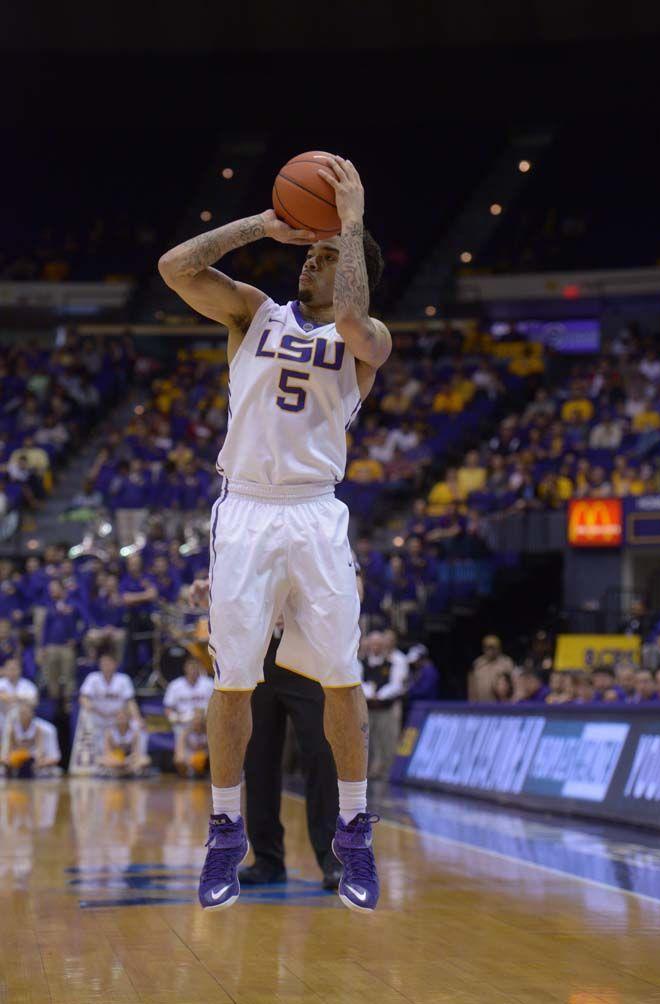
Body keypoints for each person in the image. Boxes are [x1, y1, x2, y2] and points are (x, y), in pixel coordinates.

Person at [159, 154, 389, 913]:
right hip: (247, 508)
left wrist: (348, 224)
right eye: (311, 255)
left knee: (342, 680)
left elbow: (352, 319)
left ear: (350, 267)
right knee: (233, 681)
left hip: (316, 509)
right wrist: (266, 225)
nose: (309, 267)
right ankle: (227, 832)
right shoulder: (252, 311)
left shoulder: (368, 340)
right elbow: (175, 267)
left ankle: (353, 831)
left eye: (323, 259)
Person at [239, 625, 343, 891]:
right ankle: (267, 859)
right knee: (258, 759)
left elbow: (355, 588)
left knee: (321, 754)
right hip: (260, 651)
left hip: (306, 648)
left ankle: (334, 858)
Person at [360, 631, 408, 779]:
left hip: (385, 707)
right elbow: (358, 681)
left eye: (379, 645)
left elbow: (397, 685)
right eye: (373, 644)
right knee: (367, 742)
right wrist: (369, 694)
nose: (376, 647)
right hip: (367, 708)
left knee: (388, 740)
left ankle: (388, 772)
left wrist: (380, 695)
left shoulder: (391, 662)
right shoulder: (362, 662)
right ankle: (368, 772)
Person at [1, 703, 61, 778]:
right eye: (21, 713)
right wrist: (10, 760)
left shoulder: (38, 729)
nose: (23, 716)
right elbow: (9, 750)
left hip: (32, 760)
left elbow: (40, 750)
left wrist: (38, 761)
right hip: (17, 761)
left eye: (26, 713)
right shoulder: (13, 730)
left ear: (32, 714)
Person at [163, 657, 214, 727]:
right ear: (185, 669)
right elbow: (168, 708)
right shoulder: (175, 685)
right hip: (184, 721)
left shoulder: (209, 683)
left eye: (195, 668)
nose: (193, 671)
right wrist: (175, 717)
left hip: (205, 721)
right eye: (191, 669)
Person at [99, 707, 150, 777]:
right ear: (115, 718)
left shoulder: (134, 733)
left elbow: (136, 752)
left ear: (128, 718)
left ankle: (121, 771)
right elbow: (107, 752)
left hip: (130, 759)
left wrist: (128, 760)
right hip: (115, 759)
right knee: (101, 760)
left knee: (145, 760)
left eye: (123, 717)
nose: (121, 720)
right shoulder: (109, 733)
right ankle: (127, 770)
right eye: (119, 717)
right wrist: (119, 761)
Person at [468, 636, 515, 702]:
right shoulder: (477, 663)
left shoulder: (507, 663)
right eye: (487, 648)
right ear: (483, 648)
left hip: (502, 705)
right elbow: (472, 686)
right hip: (481, 705)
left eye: (493, 648)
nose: (490, 651)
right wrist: (472, 703)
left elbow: (514, 684)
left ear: (499, 648)